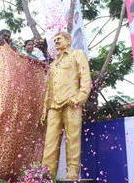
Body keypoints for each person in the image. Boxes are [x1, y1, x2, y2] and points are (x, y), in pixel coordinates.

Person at [41, 32, 91, 181]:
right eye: (54, 40)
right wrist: (45, 108)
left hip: (72, 102)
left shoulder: (77, 54)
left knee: (73, 140)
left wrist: (80, 97)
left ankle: (72, 175)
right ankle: (46, 176)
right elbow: (49, 88)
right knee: (50, 143)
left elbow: (86, 77)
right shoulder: (53, 63)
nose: (56, 41)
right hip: (53, 106)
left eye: (59, 39)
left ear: (68, 41)